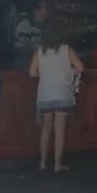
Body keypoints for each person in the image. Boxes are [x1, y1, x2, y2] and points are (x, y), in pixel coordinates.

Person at [29, 19, 85, 172]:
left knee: (46, 129)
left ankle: (42, 162)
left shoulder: (40, 51)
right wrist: (70, 72)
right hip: (63, 93)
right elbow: (80, 67)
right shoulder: (67, 50)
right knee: (59, 130)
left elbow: (32, 73)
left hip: (45, 95)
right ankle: (57, 164)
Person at [14, 0, 48, 67]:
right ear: (32, 10)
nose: (43, 11)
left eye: (46, 8)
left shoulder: (51, 27)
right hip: (25, 66)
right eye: (38, 8)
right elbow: (19, 47)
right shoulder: (23, 25)